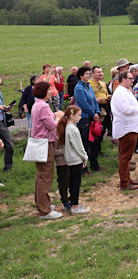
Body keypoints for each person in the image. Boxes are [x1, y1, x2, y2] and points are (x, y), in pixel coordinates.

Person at [31, 81, 65, 219]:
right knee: (45, 177)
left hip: (40, 143)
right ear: (43, 91)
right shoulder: (43, 106)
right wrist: (58, 117)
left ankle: (42, 204)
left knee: (41, 176)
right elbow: (52, 126)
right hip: (45, 144)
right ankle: (44, 210)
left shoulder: (37, 105)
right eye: (49, 89)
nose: (52, 91)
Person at [111, 71, 138, 191]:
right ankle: (124, 182)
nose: (132, 80)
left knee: (127, 156)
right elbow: (126, 109)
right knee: (125, 157)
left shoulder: (125, 91)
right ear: (123, 79)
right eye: (130, 78)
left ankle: (127, 179)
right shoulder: (119, 93)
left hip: (131, 127)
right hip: (126, 128)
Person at [56, 105, 89, 214]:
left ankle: (73, 203)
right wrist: (85, 157)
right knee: (75, 183)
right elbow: (78, 146)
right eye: (78, 115)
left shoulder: (67, 127)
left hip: (70, 159)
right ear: (72, 116)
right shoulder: (72, 129)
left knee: (72, 182)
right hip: (75, 159)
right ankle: (75, 206)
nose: (80, 117)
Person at [73, 66, 101, 174]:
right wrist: (92, 113)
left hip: (92, 117)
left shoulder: (88, 86)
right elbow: (83, 104)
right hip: (84, 118)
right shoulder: (79, 88)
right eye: (86, 74)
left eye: (89, 73)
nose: (88, 75)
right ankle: (83, 168)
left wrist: (97, 112)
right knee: (85, 143)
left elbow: (94, 100)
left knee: (94, 142)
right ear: (81, 76)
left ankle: (95, 164)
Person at [0, 78, 15, 172]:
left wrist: (6, 108)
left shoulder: (0, 94)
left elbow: (2, 106)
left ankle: (8, 167)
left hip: (2, 123)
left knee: (9, 145)